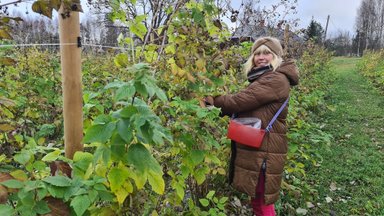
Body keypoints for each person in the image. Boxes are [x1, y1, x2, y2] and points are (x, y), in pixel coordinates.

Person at [204, 36, 299, 215]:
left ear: (276, 56)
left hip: (266, 151)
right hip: (261, 148)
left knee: (262, 204)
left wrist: (211, 100)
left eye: (267, 53)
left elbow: (241, 101)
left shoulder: (275, 79)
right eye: (257, 54)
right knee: (258, 201)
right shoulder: (263, 78)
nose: (261, 57)